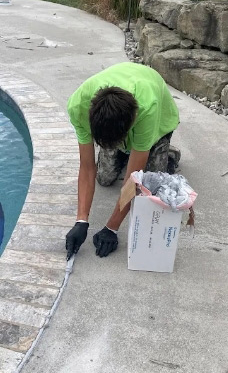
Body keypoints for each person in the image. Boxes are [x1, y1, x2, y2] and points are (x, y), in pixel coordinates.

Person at [65, 62, 180, 260]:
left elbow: (132, 180)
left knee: (148, 186)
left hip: (158, 122)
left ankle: (166, 153)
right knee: (104, 178)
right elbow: (87, 167)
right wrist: (81, 220)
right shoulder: (78, 107)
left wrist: (112, 227)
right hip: (120, 123)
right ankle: (125, 153)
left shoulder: (147, 108)